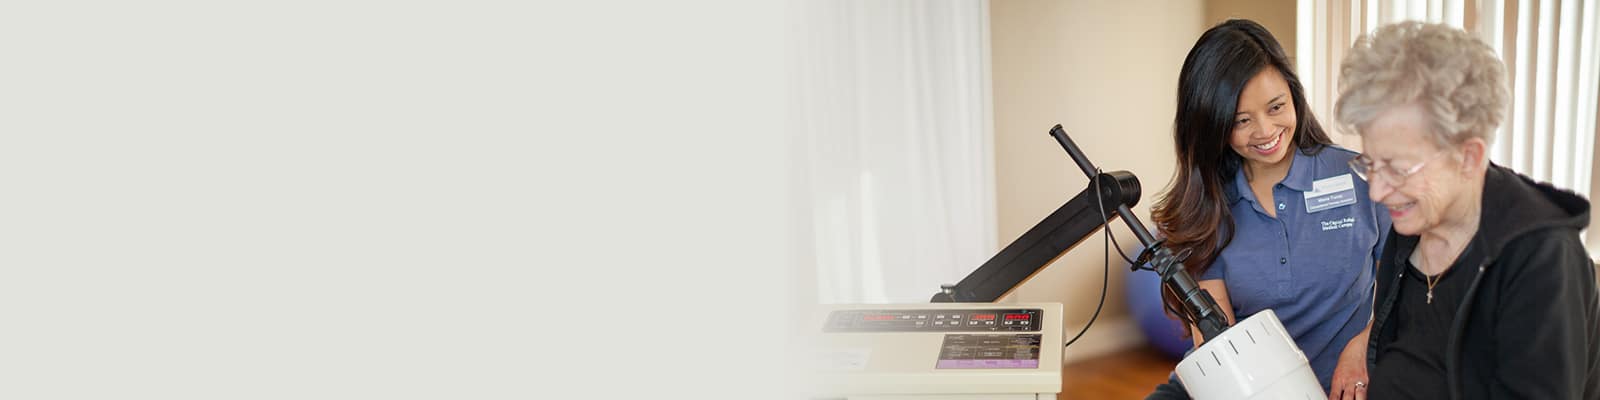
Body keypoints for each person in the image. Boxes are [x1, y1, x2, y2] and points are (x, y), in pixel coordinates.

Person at [1335, 21, 1600, 399]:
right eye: (1371, 164)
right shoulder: (1414, 223)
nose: (1377, 191)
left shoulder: (1541, 257)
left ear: (1469, 156)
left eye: (1397, 168)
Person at [1145, 19, 1391, 399]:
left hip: (1342, 384)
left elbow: (1415, 285)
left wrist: (1365, 344)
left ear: (1294, 95)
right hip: (1242, 386)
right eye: (1241, 121)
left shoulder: (1359, 176)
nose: (1265, 131)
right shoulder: (1206, 210)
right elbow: (1220, 349)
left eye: (1276, 107)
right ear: (1213, 126)